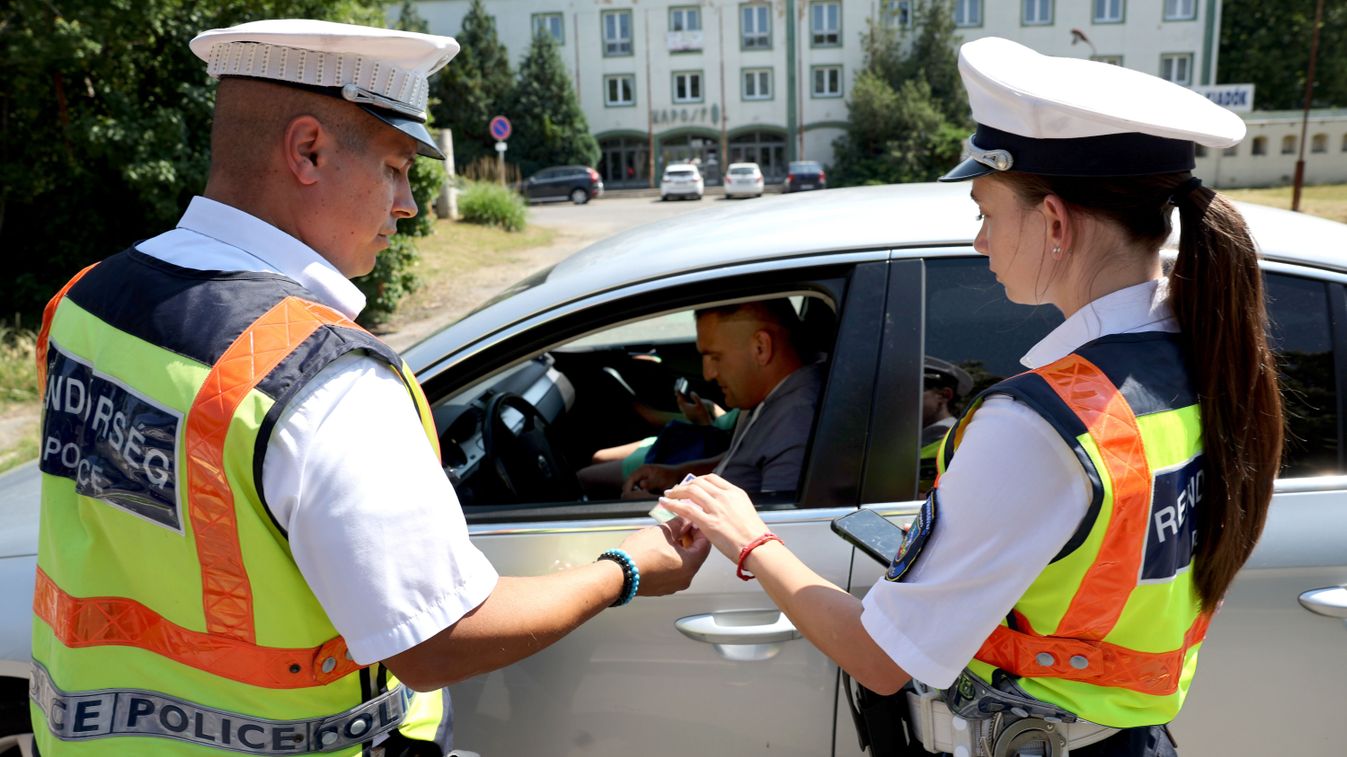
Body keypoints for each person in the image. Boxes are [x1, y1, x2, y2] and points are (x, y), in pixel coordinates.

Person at [30, 19, 707, 756]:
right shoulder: (325, 381)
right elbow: (435, 640)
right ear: (308, 150)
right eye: (394, 166)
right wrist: (627, 569)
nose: (409, 203)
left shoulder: (85, 301)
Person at [660, 37, 1282, 757]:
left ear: (1052, 221)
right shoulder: (1205, 362)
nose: (979, 240)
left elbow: (880, 658)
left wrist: (750, 538)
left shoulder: (1040, 425)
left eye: (984, 210)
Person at [621, 299, 825, 498]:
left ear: (760, 348)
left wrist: (663, 511)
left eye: (716, 357)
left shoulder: (796, 424)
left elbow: (770, 528)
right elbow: (743, 460)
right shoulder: (772, 393)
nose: (708, 373)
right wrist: (677, 474)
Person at [917, 356, 973, 493]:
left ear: (944, 395)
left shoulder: (964, 441)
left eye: (915, 390)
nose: (904, 398)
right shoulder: (898, 441)